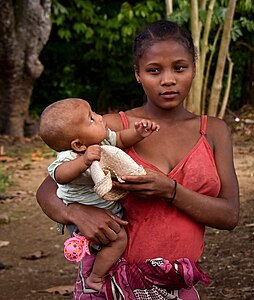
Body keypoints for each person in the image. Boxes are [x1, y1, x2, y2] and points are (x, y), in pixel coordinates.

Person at [36, 20, 239, 299]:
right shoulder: (111, 128)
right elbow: (49, 188)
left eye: (179, 68)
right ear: (137, 74)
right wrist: (76, 213)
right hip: (114, 282)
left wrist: (170, 190)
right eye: (154, 70)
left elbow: (229, 215)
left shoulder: (213, 131)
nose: (168, 80)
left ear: (193, 68)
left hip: (176, 283)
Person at [38, 98, 160, 291]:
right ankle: (95, 277)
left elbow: (120, 139)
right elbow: (59, 175)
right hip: (84, 217)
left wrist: (138, 133)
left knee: (110, 241)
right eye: (92, 118)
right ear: (78, 144)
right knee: (119, 240)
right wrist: (84, 161)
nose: (100, 117)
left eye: (94, 112)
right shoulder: (70, 156)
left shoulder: (101, 139)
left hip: (106, 209)